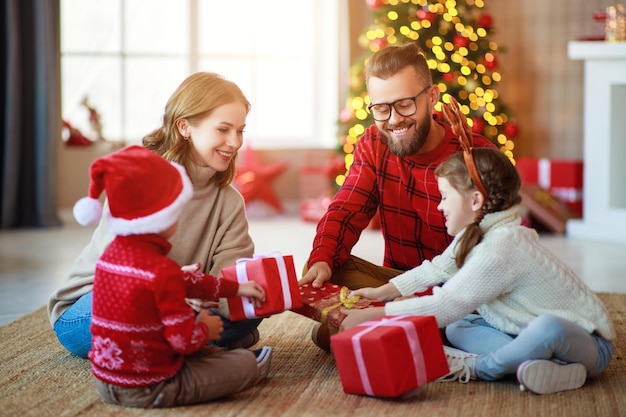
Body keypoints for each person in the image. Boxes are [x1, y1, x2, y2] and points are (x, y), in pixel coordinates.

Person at [340, 107, 615, 395]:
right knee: (460, 326)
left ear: (475, 201)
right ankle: (544, 368)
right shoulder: (476, 233)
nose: (440, 206)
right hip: (521, 328)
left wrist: (379, 315)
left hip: (587, 343)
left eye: (445, 197)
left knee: (548, 329)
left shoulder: (500, 246)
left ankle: (482, 367)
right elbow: (438, 268)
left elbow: (445, 305)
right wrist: (383, 292)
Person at [48, 72, 262, 358]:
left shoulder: (229, 200)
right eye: (223, 129)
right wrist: (180, 295)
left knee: (251, 306)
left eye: (240, 131)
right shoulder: (141, 177)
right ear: (185, 127)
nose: (234, 142)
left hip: (178, 304)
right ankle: (200, 341)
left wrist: (248, 293)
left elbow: (227, 276)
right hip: (99, 303)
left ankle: (188, 341)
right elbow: (125, 268)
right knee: (146, 316)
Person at [298, 42, 495, 350]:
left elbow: (496, 260)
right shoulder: (374, 143)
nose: (393, 120)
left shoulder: (476, 157)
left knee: (335, 333)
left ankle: (383, 329)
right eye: (381, 108)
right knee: (323, 267)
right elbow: (345, 212)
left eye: (404, 104)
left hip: (457, 293)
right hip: (395, 283)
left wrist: (420, 302)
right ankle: (398, 328)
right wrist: (322, 260)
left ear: (431, 98)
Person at [71, 145, 271, 407]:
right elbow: (182, 340)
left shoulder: (112, 259)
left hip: (105, 382)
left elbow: (187, 282)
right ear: (160, 218)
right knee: (244, 365)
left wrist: (236, 289)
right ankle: (241, 362)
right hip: (152, 386)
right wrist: (205, 329)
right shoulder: (161, 272)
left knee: (213, 347)